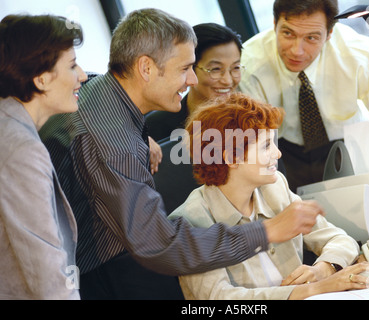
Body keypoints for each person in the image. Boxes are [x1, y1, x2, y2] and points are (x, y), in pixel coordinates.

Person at [39, 8, 326, 300]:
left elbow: (92, 83)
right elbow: (158, 244)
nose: (192, 80)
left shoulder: (100, 92)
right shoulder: (113, 142)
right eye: (185, 68)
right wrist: (266, 232)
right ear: (146, 68)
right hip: (93, 275)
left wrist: (140, 135)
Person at [168, 92, 369, 300]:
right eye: (266, 146)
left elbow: (338, 238)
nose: (277, 154)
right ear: (231, 158)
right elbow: (220, 297)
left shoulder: (274, 187)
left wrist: (324, 269)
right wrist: (315, 289)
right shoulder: (189, 223)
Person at [239, 0, 369, 192]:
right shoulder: (249, 63)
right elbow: (252, 141)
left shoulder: (358, 54)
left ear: (329, 34)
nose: (296, 51)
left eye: (312, 38)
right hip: (284, 149)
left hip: (347, 142)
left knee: (361, 205)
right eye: (288, 33)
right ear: (274, 24)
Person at [0, 14, 87, 299]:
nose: (83, 76)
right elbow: (47, 272)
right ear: (41, 79)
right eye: (72, 66)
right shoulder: (20, 149)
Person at [144, 22, 244, 143]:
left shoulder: (249, 118)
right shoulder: (154, 127)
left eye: (236, 68)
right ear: (189, 68)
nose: (227, 81)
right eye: (215, 69)